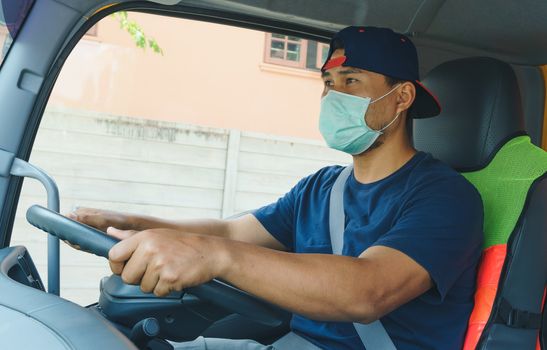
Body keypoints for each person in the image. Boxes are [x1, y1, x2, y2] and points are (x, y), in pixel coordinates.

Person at [68, 26, 483, 349]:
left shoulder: (446, 197)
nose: (332, 95)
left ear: (402, 97)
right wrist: (131, 223)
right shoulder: (323, 187)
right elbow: (232, 231)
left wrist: (213, 256)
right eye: (328, 82)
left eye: (351, 81)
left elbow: (367, 290)